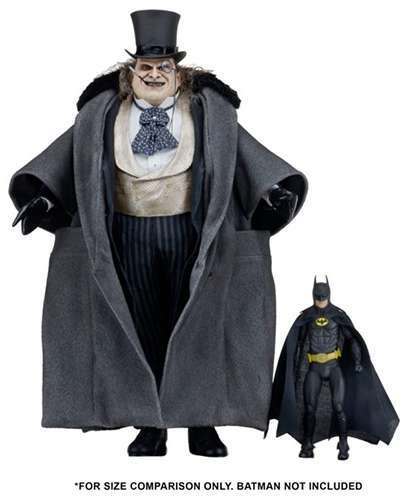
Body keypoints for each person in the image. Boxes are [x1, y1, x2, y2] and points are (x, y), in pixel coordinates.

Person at [10, 9, 307, 457]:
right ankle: (151, 424)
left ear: (178, 72)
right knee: (142, 327)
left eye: (163, 67)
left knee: (197, 326)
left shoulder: (207, 113)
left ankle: (201, 424)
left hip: (191, 234)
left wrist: (273, 190)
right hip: (126, 235)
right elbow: (69, 161)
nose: (153, 75)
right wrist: (43, 197)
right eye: (145, 67)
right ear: (130, 72)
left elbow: (244, 156)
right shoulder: (102, 114)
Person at [269, 276, 399, 460]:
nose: (321, 300)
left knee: (339, 406)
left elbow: (352, 339)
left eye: (323, 297)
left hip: (334, 367)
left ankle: (343, 444)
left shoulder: (338, 316)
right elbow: (298, 343)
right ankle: (307, 444)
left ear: (329, 295)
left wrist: (357, 361)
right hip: (314, 367)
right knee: (309, 407)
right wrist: (296, 368)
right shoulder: (306, 317)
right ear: (313, 295)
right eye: (318, 297)